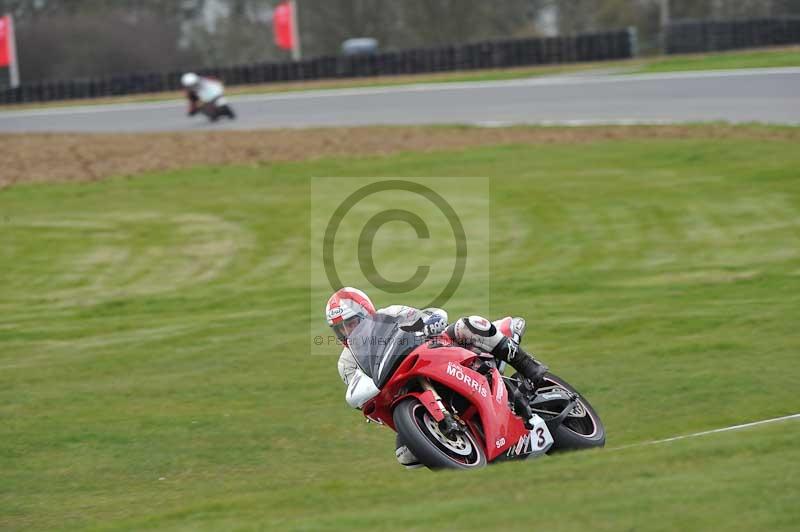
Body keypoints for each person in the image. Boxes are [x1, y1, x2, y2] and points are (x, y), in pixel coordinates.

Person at [325, 286, 548, 468]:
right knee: (406, 454)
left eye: (351, 323)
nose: (347, 332)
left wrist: (429, 321)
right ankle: (462, 441)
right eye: (340, 329)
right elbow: (360, 390)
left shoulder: (390, 313)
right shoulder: (346, 362)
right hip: (401, 389)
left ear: (366, 313)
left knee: (467, 325)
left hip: (434, 351)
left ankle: (528, 366)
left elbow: (422, 317)